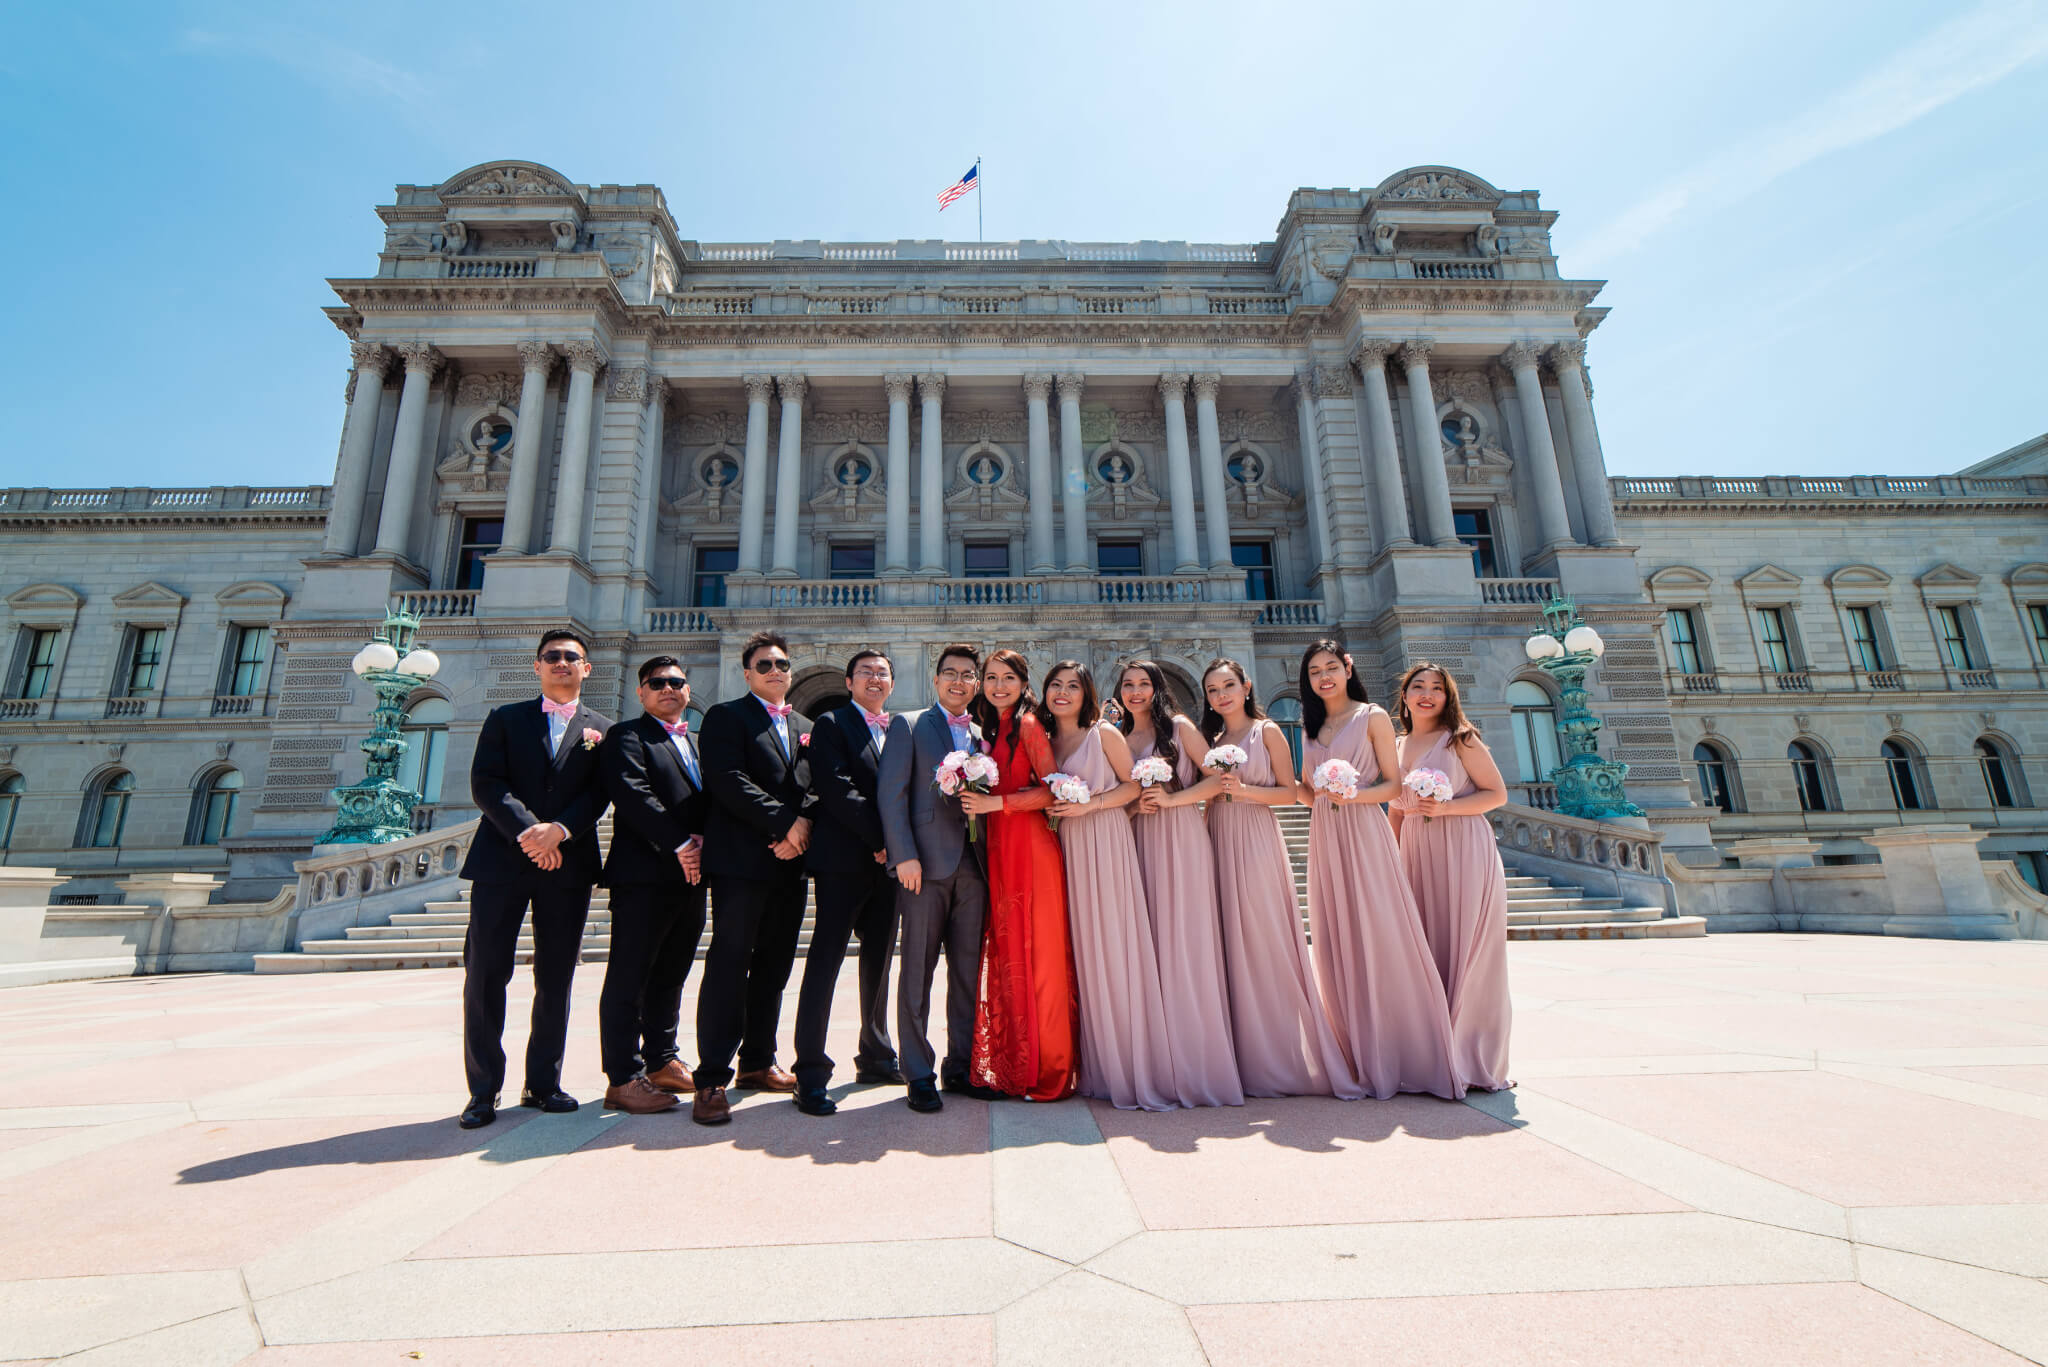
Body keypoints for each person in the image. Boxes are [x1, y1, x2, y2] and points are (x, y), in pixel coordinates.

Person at [455, 629, 612, 1130]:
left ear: (587, 668)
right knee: (485, 975)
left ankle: (543, 1082)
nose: (562, 663)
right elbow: (486, 783)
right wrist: (530, 833)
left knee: (556, 977)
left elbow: (600, 794)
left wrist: (558, 832)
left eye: (572, 657)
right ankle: (483, 1090)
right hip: (502, 860)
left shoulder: (603, 731)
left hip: (568, 864)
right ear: (538, 666)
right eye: (553, 657)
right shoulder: (505, 719)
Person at [1296, 642, 1460, 1100]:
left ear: (1348, 668)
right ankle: (1360, 1054)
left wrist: (1353, 796)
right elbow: (1311, 793)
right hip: (1325, 839)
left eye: (1331, 667)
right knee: (1338, 940)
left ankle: (1410, 1054)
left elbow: (1391, 784)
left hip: (1366, 831)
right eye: (1314, 671)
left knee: (1382, 934)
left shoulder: (1372, 717)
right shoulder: (1309, 727)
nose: (1324, 677)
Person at [1199, 657, 1361, 1100]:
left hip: (1254, 837)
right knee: (1230, 941)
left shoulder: (1265, 730)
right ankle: (1243, 1054)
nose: (1221, 695)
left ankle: (1283, 1056)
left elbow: (1290, 792)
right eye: (1213, 690)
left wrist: (1243, 791)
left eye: (1228, 685)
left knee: (1262, 938)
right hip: (1216, 834)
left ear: (1246, 685)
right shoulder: (1213, 738)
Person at [690, 631, 815, 1125]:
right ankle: (710, 1078)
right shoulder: (725, 716)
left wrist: (800, 828)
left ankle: (759, 1062)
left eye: (782, 664)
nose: (775, 671)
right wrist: (784, 822)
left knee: (775, 966)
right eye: (764, 665)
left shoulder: (805, 724)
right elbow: (726, 780)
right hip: (741, 862)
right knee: (729, 964)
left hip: (789, 864)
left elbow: (815, 786)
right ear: (747, 674)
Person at [1043, 660, 1179, 1112]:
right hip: (1067, 849)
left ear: (1087, 694)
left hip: (1105, 839)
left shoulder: (1104, 733)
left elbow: (1132, 787)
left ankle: (1137, 1066)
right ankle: (1101, 1065)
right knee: (1085, 954)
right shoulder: (1045, 741)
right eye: (1055, 686)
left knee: (1116, 948)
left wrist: (1091, 807)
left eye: (1072, 687)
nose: (1063, 693)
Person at [877, 644, 996, 1114]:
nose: (959, 682)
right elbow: (892, 795)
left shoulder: (984, 735)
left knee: (967, 973)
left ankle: (960, 1066)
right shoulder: (907, 724)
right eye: (951, 673)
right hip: (923, 869)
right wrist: (903, 856)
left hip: (976, 869)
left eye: (968, 675)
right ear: (936, 678)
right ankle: (918, 1071)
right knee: (917, 972)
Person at [1118, 662, 1242, 1108]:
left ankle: (1198, 1060)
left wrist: (1172, 800)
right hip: (1138, 842)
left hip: (1183, 838)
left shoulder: (1181, 727)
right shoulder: (1119, 739)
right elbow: (1124, 800)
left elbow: (1217, 782)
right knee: (1149, 947)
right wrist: (1136, 810)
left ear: (1157, 689)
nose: (1136, 692)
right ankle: (1158, 1057)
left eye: (1144, 684)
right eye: (1128, 685)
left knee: (1184, 943)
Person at [790, 648, 905, 1117]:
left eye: (882, 673)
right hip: (844, 861)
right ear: (849, 680)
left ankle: (875, 1054)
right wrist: (883, 838)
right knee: (825, 962)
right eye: (866, 673)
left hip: (888, 867)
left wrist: (894, 847)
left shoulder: (898, 728)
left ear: (892, 683)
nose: (875, 680)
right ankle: (810, 1072)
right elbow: (837, 787)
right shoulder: (832, 725)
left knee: (879, 961)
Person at [961, 649, 1078, 1102]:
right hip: (1001, 847)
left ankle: (1051, 1072)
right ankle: (1019, 1064)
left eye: (1008, 678)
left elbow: (1052, 789)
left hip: (1030, 845)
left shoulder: (1028, 724)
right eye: (991, 678)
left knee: (1040, 956)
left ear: (1023, 683)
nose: (998, 686)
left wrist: (997, 804)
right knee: (1013, 952)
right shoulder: (995, 728)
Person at [595, 656, 710, 1116]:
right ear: (641, 693)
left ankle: (662, 1059)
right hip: (643, 875)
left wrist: (705, 842)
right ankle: (623, 1075)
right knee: (630, 975)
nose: (668, 689)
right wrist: (680, 842)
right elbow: (632, 794)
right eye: (656, 683)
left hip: (691, 877)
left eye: (676, 682)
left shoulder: (695, 742)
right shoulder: (627, 736)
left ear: (687, 690)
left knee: (672, 973)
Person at [1393, 662, 1513, 1092]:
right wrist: (1392, 857)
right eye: (1418, 686)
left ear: (1448, 696)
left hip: (1464, 847)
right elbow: (1394, 806)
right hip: (1416, 853)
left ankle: (1474, 1061)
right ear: (1404, 695)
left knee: (1469, 953)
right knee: (1426, 951)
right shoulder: (1395, 744)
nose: (1427, 694)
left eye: (1437, 688)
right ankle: (1435, 1055)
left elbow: (1495, 794)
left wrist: (1445, 808)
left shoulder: (1460, 738)